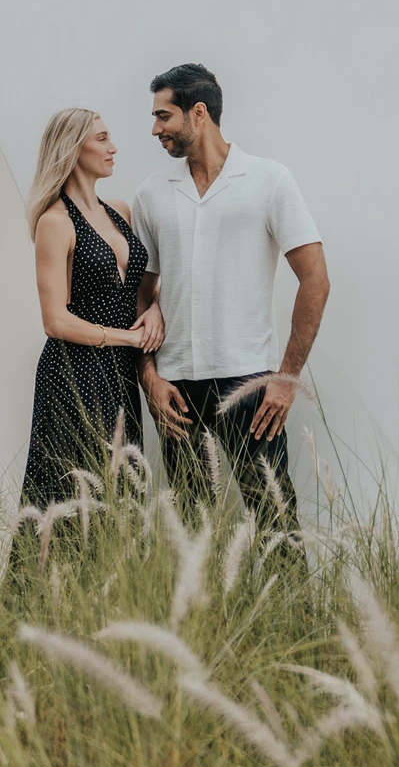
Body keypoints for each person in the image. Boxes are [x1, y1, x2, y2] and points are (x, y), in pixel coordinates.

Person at [132, 63, 329, 531]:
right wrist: (149, 379)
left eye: (164, 116)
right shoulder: (151, 195)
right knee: (191, 536)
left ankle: (291, 608)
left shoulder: (270, 181)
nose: (154, 129)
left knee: (275, 525)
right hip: (175, 389)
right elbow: (139, 296)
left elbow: (315, 280)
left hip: (250, 386)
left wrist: (286, 380)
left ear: (198, 113)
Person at [18, 107, 165, 508]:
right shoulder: (54, 222)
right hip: (73, 373)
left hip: (119, 373)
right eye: (102, 139)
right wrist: (129, 338)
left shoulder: (120, 211)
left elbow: (142, 285)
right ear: (72, 148)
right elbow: (55, 320)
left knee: (123, 493)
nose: (113, 148)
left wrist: (154, 310)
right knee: (70, 500)